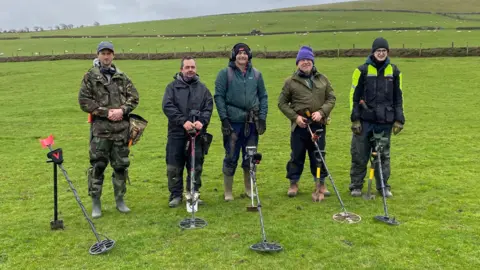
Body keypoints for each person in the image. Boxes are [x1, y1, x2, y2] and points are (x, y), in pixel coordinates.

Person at [78, 41, 140, 218]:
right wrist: (106, 112)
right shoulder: (90, 76)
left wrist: (122, 110)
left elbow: (134, 97)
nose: (106, 56)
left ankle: (120, 200)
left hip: (121, 130)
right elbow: (84, 101)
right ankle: (96, 203)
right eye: (103, 53)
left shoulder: (121, 76)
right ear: (98, 55)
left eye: (109, 53)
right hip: (100, 131)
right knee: (98, 166)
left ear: (113, 55)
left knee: (120, 166)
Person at [278, 46, 336, 201]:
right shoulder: (290, 82)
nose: (305, 62)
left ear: (312, 61)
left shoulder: (323, 79)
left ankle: (320, 184)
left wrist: (322, 112)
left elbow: (331, 98)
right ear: (298, 63)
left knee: (318, 156)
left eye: (308, 59)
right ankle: (293, 184)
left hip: (318, 125)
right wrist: (295, 118)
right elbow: (282, 103)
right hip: (300, 126)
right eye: (302, 60)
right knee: (296, 156)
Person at [349, 37, 405, 198]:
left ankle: (383, 186)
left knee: (383, 155)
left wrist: (399, 119)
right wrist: (355, 119)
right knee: (359, 154)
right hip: (365, 121)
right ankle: (356, 186)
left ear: (388, 52)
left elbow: (398, 98)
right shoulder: (361, 70)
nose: (381, 53)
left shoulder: (394, 72)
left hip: (385, 121)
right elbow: (353, 95)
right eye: (378, 50)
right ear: (373, 52)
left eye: (384, 51)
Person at [214, 43, 268, 201]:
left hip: (252, 122)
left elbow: (263, 96)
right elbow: (219, 97)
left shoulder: (257, 75)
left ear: (249, 56)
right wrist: (224, 119)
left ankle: (249, 189)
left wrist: (262, 117)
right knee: (231, 156)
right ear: (234, 55)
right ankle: (228, 192)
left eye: (245, 54)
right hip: (232, 123)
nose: (242, 56)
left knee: (250, 157)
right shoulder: (225, 74)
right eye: (239, 54)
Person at [162, 56, 214, 208]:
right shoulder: (172, 88)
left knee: (195, 165)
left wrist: (202, 122)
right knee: (174, 165)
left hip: (197, 135)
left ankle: (193, 193)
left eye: (193, 67)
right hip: (176, 133)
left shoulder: (203, 89)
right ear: (181, 69)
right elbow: (167, 106)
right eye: (187, 67)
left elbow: (208, 107)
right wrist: (183, 121)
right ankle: (176, 195)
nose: (190, 70)